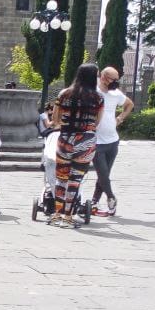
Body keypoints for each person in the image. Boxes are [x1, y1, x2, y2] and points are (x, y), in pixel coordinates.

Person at [50, 63, 105, 227]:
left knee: (61, 178)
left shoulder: (64, 94)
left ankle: (57, 213)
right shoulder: (98, 97)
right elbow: (97, 122)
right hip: (86, 140)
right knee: (75, 180)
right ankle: (68, 216)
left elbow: (55, 119)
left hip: (66, 138)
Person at [90, 66, 134, 216]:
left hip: (113, 141)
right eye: (113, 79)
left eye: (117, 80)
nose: (115, 82)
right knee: (102, 173)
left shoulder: (116, 94)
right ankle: (111, 197)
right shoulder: (93, 91)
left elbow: (130, 104)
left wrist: (120, 117)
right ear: (103, 77)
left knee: (105, 175)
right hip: (96, 141)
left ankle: (94, 201)